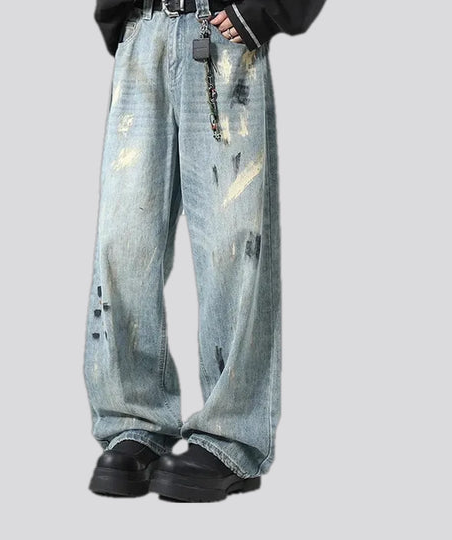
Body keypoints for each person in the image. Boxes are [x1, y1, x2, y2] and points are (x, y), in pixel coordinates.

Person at [83, 0, 327, 502]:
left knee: (233, 247)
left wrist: (268, 9)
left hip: (221, 37)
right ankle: (134, 422)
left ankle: (232, 436)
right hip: (143, 32)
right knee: (122, 242)